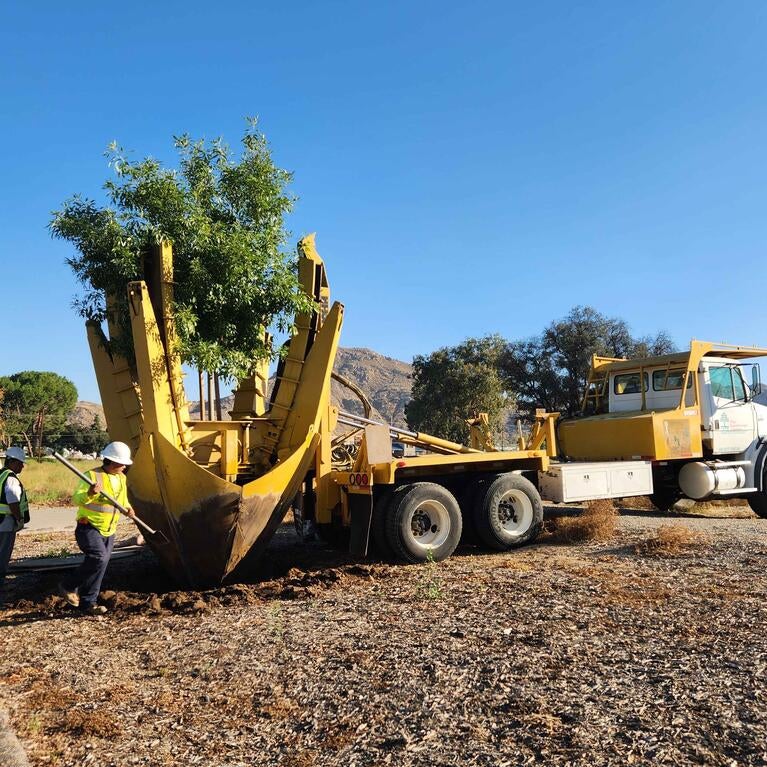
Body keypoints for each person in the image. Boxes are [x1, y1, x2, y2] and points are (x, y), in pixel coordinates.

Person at [58, 441, 135, 615]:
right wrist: (90, 494)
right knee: (98, 557)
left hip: (109, 529)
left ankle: (88, 604)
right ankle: (68, 585)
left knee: (101, 564)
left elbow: (122, 500)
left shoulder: (122, 478)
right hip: (89, 527)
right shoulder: (91, 476)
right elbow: (76, 499)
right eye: (122, 463)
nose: (124, 466)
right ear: (112, 461)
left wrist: (128, 508)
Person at [0, 447, 29, 595]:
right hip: (5, 523)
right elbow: (13, 503)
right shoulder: (11, 479)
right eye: (20, 463)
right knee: (3, 555)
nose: (22, 466)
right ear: (11, 462)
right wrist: (19, 519)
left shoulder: (1, 475)